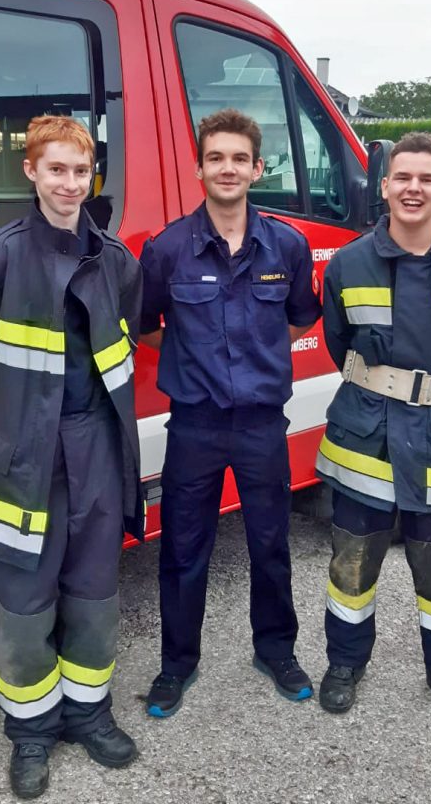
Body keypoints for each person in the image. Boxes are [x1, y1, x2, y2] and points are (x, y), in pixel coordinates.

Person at [0, 115, 144, 799]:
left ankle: (89, 714)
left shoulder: (114, 259)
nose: (69, 183)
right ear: (30, 172)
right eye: (55, 169)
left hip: (95, 448)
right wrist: (11, 428)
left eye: (80, 171)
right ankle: (31, 732)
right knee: (24, 605)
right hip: (25, 454)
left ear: (94, 177)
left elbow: (127, 345)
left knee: (93, 593)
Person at [315, 130, 431, 731]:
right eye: (403, 177)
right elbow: (336, 342)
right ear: (385, 184)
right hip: (365, 442)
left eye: (426, 179)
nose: (413, 188)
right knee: (351, 569)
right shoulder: (349, 262)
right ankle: (345, 663)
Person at [138, 107, 322, 717]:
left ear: (257, 168)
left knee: (270, 542)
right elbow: (147, 328)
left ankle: (276, 651)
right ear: (199, 167)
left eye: (239, 158)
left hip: (263, 425)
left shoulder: (288, 246)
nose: (227, 168)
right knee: (184, 548)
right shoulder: (166, 250)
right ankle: (176, 666)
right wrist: (195, 357)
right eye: (215, 157)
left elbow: (299, 316)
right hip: (195, 424)